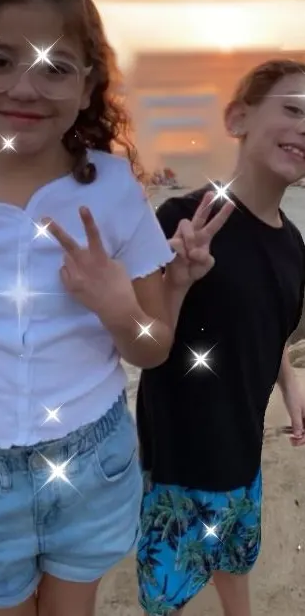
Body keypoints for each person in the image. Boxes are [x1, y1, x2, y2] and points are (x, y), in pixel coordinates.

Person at [0, 0, 184, 616]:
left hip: (93, 458)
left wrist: (117, 310)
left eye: (55, 68)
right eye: (1, 61)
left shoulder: (113, 190)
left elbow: (154, 348)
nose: (25, 88)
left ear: (88, 87)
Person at [137, 58, 305, 616]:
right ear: (238, 118)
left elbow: (268, 327)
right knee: (169, 591)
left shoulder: (293, 243)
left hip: (243, 448)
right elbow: (143, 334)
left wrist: (290, 383)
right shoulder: (185, 219)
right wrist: (177, 278)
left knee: (236, 552)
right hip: (181, 458)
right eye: (292, 109)